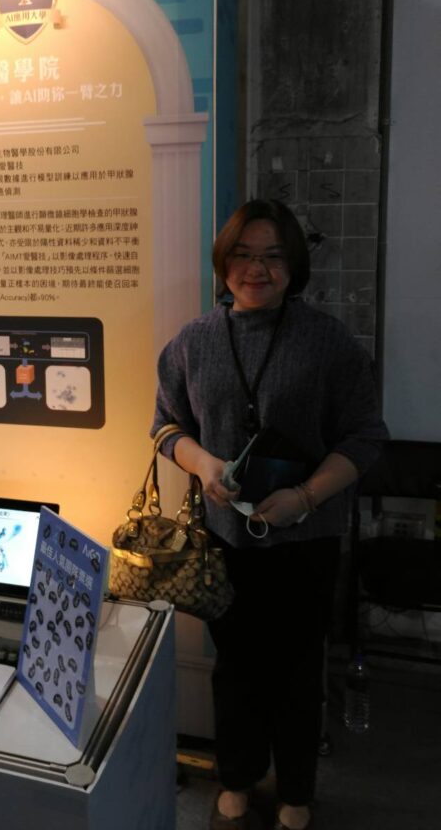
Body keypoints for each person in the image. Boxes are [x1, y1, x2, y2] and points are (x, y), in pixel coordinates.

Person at [152, 199, 387, 830]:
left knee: (298, 668)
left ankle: (295, 793)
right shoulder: (194, 341)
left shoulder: (328, 341)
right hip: (226, 539)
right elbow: (166, 426)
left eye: (273, 256)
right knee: (236, 667)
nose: (256, 269)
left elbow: (365, 437)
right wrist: (204, 463)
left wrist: (306, 496)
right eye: (243, 255)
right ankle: (236, 779)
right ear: (224, 262)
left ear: (294, 265)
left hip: (307, 539)